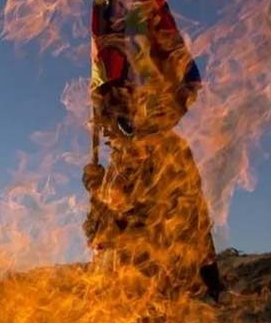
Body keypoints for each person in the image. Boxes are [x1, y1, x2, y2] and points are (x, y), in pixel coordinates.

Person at [82, 78, 224, 301]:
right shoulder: (116, 165)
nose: (100, 127)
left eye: (105, 116)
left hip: (157, 282)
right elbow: (96, 234)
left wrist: (98, 191)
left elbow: (188, 216)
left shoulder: (164, 148)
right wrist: (95, 190)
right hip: (116, 291)